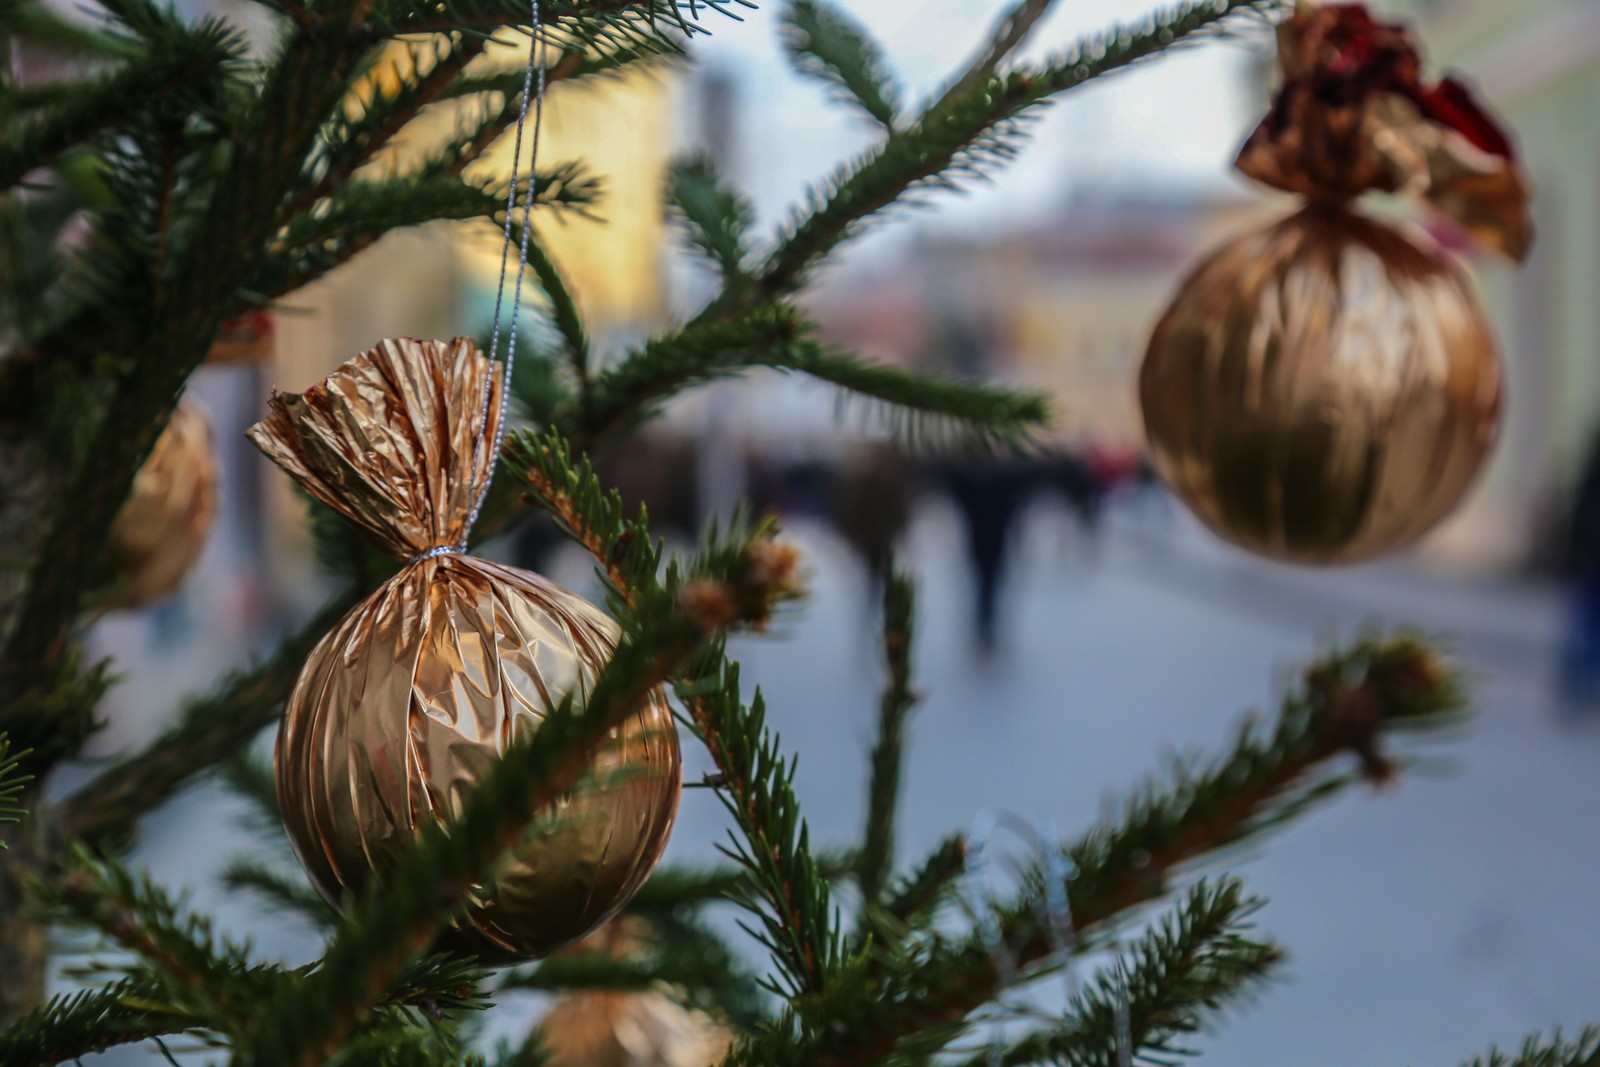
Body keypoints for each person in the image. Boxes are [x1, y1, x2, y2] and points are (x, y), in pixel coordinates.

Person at [1559, 428, 1600, 704]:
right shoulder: (1593, 482)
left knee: (1586, 625)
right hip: (1590, 559)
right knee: (1585, 625)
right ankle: (1579, 684)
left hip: (1588, 557)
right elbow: (1581, 516)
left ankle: (1582, 683)